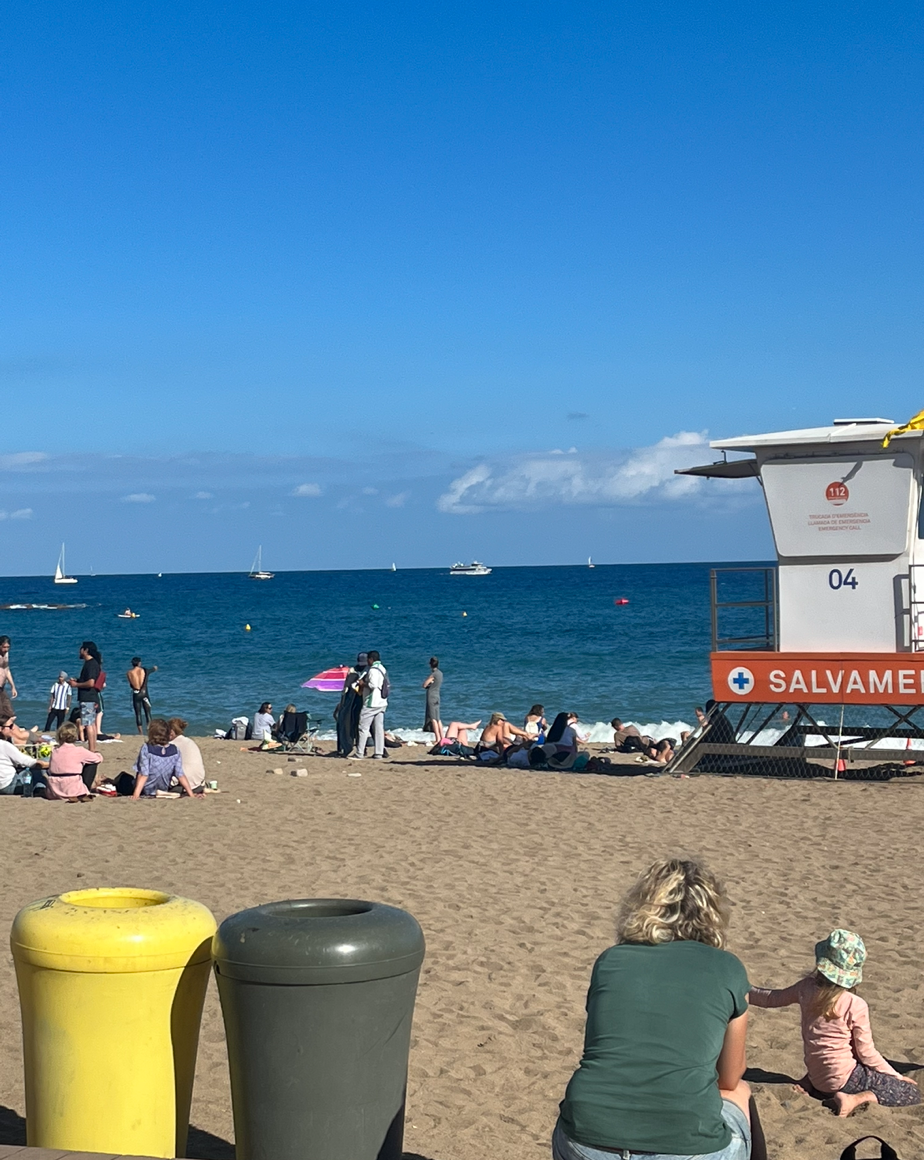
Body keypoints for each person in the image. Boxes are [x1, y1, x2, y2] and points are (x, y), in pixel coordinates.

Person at [554, 858, 751, 1160]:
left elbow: (605, 1049)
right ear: (713, 912)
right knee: (740, 1093)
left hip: (586, 1136)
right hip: (687, 1143)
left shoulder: (611, 960)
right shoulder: (728, 968)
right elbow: (729, 1077)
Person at [749, 929, 920, 1116]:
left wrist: (743, 990)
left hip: (818, 1076)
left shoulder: (806, 988)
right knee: (910, 1092)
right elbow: (867, 1053)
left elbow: (771, 998)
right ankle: (854, 1099)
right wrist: (896, 1075)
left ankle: (810, 1082)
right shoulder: (854, 1004)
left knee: (831, 1050)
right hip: (843, 1079)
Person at [132, 718, 195, 798]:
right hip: (164, 788)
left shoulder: (147, 748)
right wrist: (191, 794)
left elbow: (144, 774)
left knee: (123, 778)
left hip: (146, 789)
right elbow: (180, 774)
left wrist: (136, 795)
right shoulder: (175, 750)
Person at [46, 722, 99, 801]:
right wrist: (95, 754)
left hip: (53, 790)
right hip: (72, 788)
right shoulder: (79, 751)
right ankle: (84, 791)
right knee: (92, 763)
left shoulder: (54, 750)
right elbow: (98, 759)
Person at [351, 650, 388, 761]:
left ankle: (359, 753)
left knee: (363, 727)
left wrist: (363, 684)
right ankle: (379, 753)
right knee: (379, 728)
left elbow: (373, 685)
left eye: (368, 659)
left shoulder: (372, 670)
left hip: (371, 703)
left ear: (371, 659)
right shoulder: (382, 668)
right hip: (382, 702)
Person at [0, 716, 48, 795]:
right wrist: (50, 764)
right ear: (1, 729)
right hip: (9, 785)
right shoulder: (5, 745)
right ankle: (40, 789)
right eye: (10, 726)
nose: (13, 728)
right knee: (38, 766)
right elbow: (29, 762)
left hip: (3, 783)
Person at [69, 641, 103, 753]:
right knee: (91, 724)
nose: (79, 651)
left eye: (81, 649)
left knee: (88, 724)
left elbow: (91, 683)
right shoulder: (92, 664)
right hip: (91, 697)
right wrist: (78, 680)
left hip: (88, 697)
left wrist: (76, 684)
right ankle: (92, 748)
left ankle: (92, 749)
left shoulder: (91, 664)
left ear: (86, 650)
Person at [335, 653, 367, 757]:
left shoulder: (353, 673)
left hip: (354, 704)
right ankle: (362, 748)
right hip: (359, 703)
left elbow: (345, 691)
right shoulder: (362, 672)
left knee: (354, 726)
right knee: (360, 727)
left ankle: (353, 747)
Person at [168, 718, 206, 792]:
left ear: (171, 732)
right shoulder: (190, 741)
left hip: (185, 786)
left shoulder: (171, 745)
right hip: (199, 784)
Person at [127, 657, 157, 734]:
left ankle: (140, 733)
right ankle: (149, 730)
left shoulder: (129, 673)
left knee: (138, 714)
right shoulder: (144, 670)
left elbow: (131, 685)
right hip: (144, 693)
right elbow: (152, 669)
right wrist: (154, 668)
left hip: (136, 693)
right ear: (139, 663)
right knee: (148, 713)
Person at [422, 657, 443, 748]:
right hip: (437, 696)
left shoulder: (433, 674)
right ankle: (442, 737)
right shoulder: (440, 674)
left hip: (431, 696)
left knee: (433, 718)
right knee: (438, 718)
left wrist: (429, 683)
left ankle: (437, 738)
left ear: (430, 664)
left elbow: (424, 685)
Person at [0, 636, 16, 718]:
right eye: (4, 647)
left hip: (2, 687)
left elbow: (6, 670)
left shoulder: (6, 654)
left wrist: (12, 686)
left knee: (10, 713)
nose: (6, 649)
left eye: (8, 647)